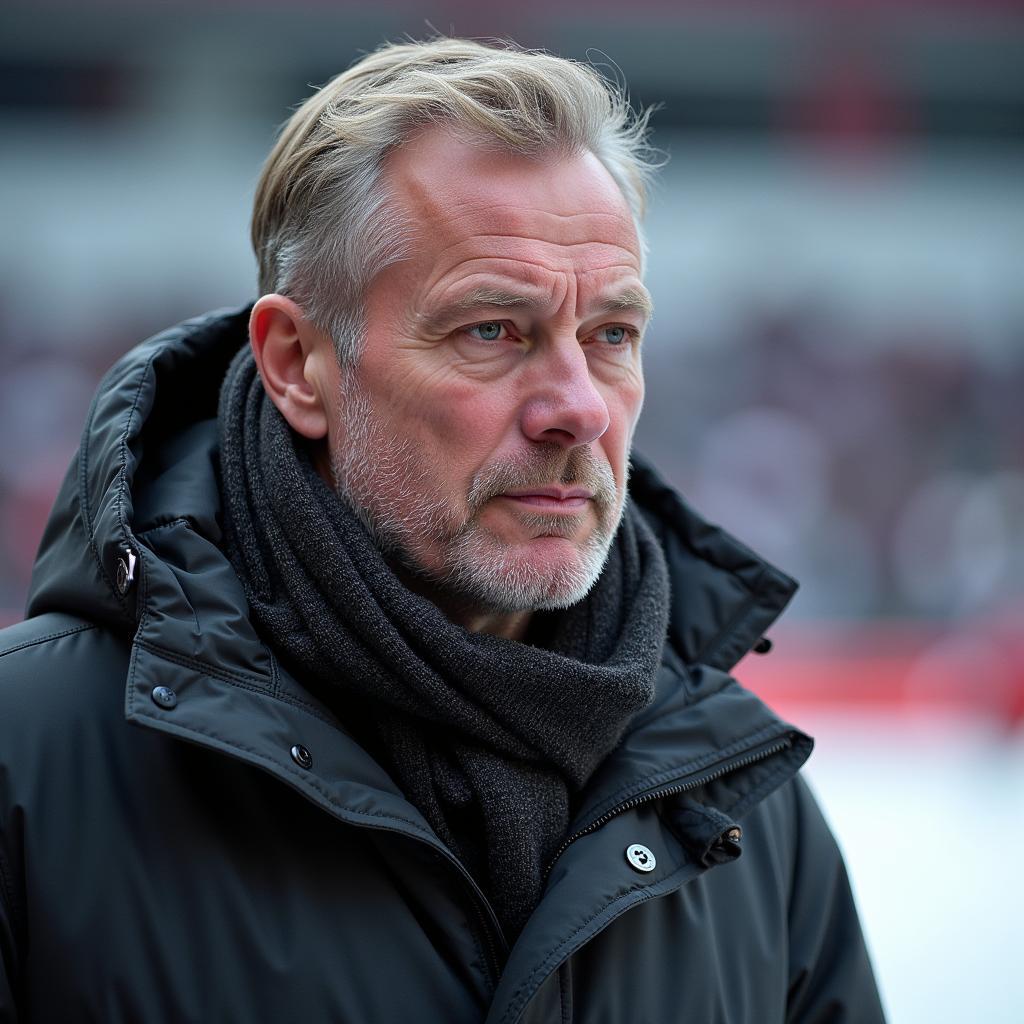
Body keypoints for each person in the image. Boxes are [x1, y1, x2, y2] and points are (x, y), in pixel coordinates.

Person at [0, 38, 885, 1023]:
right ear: (298, 364)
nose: (578, 408)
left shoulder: (743, 816)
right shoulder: (27, 764)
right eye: (492, 330)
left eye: (611, 336)